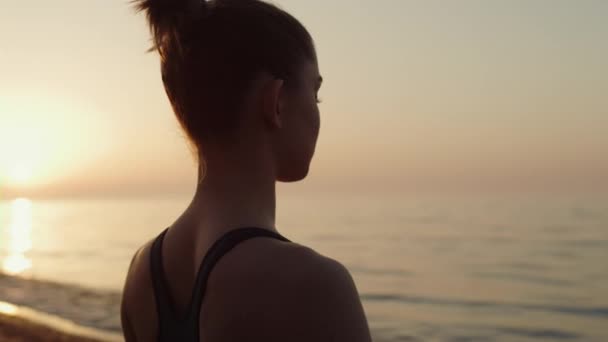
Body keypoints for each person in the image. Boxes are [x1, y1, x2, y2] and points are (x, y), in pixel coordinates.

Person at [120, 0, 372, 341]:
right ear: (277, 102)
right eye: (316, 94)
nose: (317, 113)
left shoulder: (142, 273)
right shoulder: (314, 285)